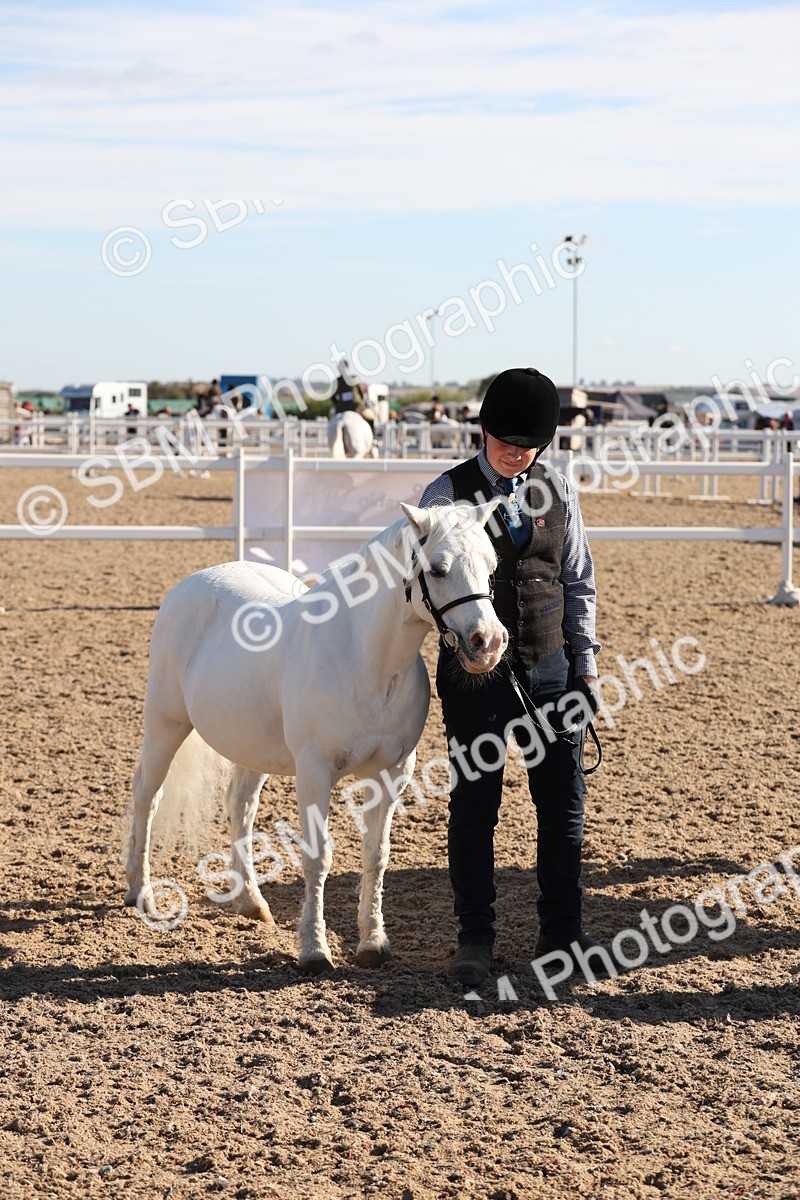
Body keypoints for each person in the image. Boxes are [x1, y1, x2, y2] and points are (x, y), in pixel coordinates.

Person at [419, 366, 610, 987]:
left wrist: (586, 666)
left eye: (528, 445)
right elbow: (423, 593)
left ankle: (563, 934)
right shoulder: (446, 495)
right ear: (484, 431)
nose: (517, 454)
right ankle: (474, 938)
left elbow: (576, 581)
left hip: (552, 668)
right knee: (475, 807)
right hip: (475, 679)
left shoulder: (559, 491)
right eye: (507, 442)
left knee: (564, 808)